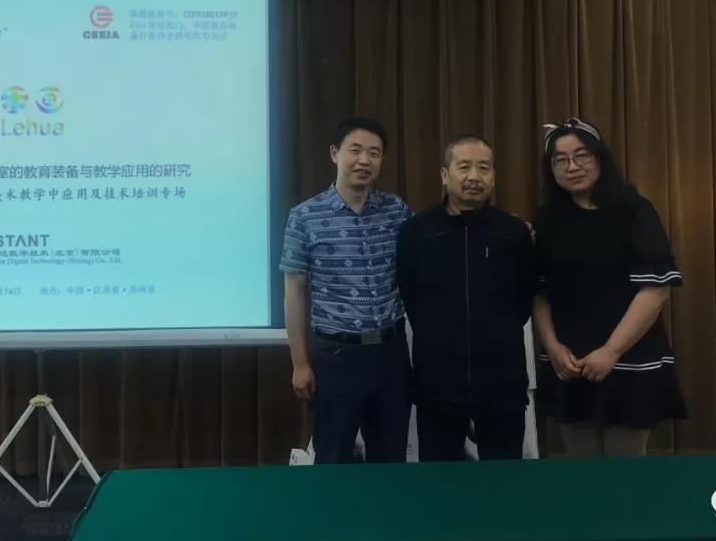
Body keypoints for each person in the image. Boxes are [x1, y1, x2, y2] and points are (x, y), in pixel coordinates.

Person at [533, 118, 687, 457]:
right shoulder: (547, 219)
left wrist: (611, 351)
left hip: (628, 359)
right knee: (582, 472)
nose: (572, 167)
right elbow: (539, 292)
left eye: (581, 156)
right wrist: (553, 347)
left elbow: (655, 290)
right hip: (569, 364)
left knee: (624, 473)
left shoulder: (634, 210)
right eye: (560, 160)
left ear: (600, 158)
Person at [280, 117, 413, 463]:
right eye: (355, 150)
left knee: (391, 458)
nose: (364, 160)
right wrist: (299, 363)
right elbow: (294, 294)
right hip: (336, 356)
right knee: (333, 458)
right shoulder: (304, 216)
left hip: (390, 353)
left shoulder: (396, 211)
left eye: (374, 153)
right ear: (335, 154)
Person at [396, 135, 537, 461]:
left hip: (502, 383)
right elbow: (410, 297)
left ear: (493, 176)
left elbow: (523, 300)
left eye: (483, 168)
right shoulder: (417, 232)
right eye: (464, 167)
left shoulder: (513, 233)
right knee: (440, 481)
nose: (474, 176)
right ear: (445, 175)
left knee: (503, 479)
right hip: (438, 384)